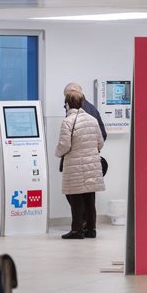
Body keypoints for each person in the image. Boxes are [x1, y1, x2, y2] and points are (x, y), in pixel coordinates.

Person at [55, 92, 105, 239]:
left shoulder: (68, 121)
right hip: (92, 166)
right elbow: (100, 143)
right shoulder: (92, 119)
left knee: (76, 200)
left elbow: (64, 145)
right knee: (90, 199)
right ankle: (91, 229)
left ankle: (77, 231)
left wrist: (57, 153)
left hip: (75, 166)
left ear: (68, 104)